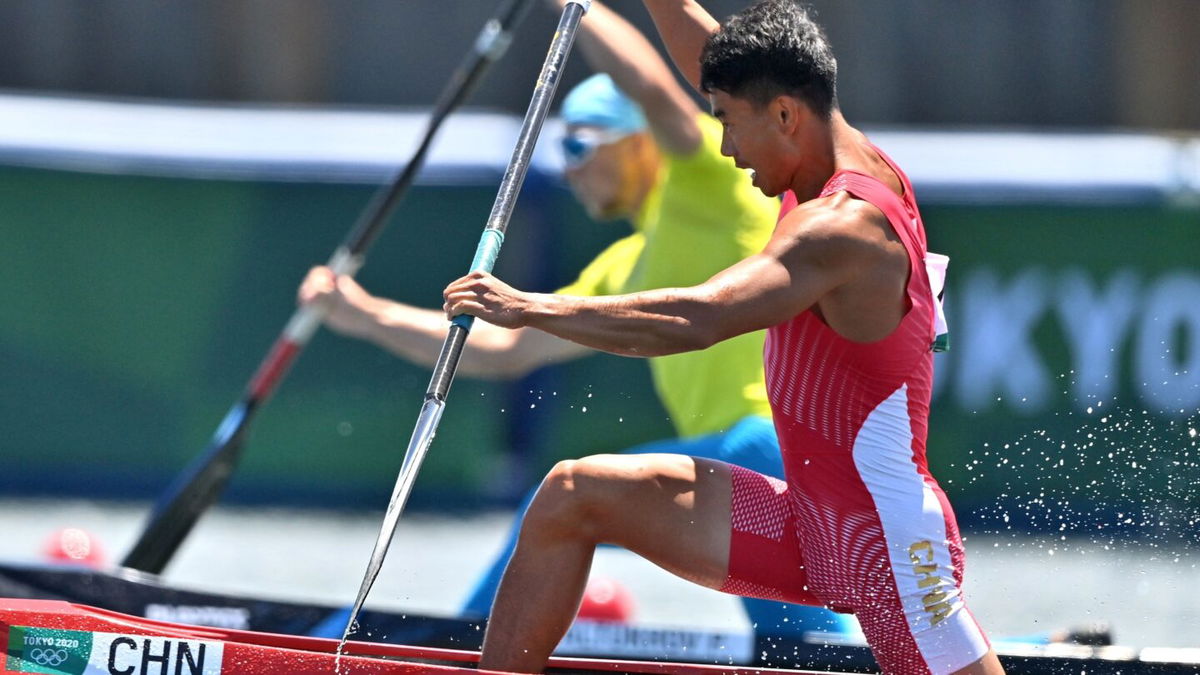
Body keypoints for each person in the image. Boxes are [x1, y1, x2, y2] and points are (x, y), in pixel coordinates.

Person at [443, 1, 1005, 673]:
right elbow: (715, 52)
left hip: (887, 548)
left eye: (727, 124)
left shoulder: (843, 227)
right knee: (573, 493)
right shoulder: (810, 133)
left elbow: (698, 318)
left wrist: (530, 307)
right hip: (801, 523)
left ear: (784, 117)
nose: (725, 147)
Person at [299, 0, 853, 639]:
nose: (567, 166)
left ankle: (451, 645)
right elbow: (503, 351)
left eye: (581, 142)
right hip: (766, 456)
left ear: (641, 140)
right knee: (804, 650)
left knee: (561, 502)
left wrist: (573, 5)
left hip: (758, 444)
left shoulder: (707, 181)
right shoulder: (625, 265)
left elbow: (649, 83)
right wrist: (363, 314)